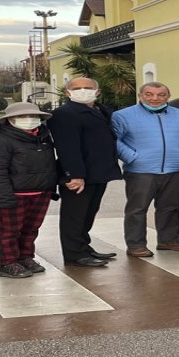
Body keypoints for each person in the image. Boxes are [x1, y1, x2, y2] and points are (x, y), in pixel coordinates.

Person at [111, 82, 179, 257]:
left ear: (168, 97)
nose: (155, 98)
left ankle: (168, 240)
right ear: (140, 96)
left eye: (161, 95)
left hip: (174, 169)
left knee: (170, 207)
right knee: (137, 209)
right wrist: (132, 157)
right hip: (140, 171)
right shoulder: (122, 115)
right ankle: (136, 245)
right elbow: (114, 140)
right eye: (149, 94)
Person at [48, 77, 121, 268]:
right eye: (77, 88)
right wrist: (74, 175)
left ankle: (84, 247)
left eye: (87, 87)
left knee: (88, 213)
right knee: (75, 215)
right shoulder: (64, 114)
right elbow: (67, 147)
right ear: (67, 93)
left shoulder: (101, 110)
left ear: (97, 91)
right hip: (78, 175)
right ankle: (74, 254)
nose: (83, 90)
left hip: (98, 172)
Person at [0, 102, 59, 278]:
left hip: (41, 192)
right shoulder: (1, 141)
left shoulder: (44, 137)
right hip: (14, 194)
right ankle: (8, 262)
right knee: (9, 231)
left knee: (31, 228)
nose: (29, 120)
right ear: (10, 119)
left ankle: (25, 256)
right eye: (22, 117)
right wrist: (2, 196)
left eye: (33, 116)